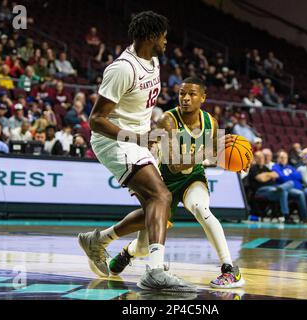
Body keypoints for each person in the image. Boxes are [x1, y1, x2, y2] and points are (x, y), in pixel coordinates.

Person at [77, 11, 195, 292]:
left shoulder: (153, 62)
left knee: (160, 207)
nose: (167, 42)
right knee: (161, 195)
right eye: (164, 36)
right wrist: (137, 136)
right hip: (114, 141)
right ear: (152, 37)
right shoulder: (122, 68)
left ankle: (99, 240)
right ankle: (154, 271)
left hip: (139, 140)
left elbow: (137, 108)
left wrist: (154, 131)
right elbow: (95, 120)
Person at [108, 77, 243, 288]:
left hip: (193, 177)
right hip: (164, 181)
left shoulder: (211, 123)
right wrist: (208, 153)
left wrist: (234, 160)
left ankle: (229, 269)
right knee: (144, 247)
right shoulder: (167, 120)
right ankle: (129, 252)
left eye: (192, 94)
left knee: (201, 208)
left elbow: (218, 154)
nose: (186, 98)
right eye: (182, 94)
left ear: (203, 98)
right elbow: (173, 165)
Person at [272, 151, 307, 224]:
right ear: (278, 159)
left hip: (299, 187)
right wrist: (291, 177)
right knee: (300, 194)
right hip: (287, 189)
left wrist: (289, 177)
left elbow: (299, 176)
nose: (283, 159)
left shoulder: (290, 167)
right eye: (281, 157)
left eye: (285, 158)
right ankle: (305, 218)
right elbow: (282, 178)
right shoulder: (275, 167)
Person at [249, 151, 295, 224]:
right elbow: (261, 179)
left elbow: (276, 175)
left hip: (271, 190)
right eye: (258, 157)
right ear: (255, 159)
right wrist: (269, 175)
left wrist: (266, 175)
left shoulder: (266, 168)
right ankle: (279, 189)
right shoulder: (253, 169)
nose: (261, 159)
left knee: (290, 184)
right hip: (260, 191)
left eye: (262, 157)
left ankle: (286, 216)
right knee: (282, 190)